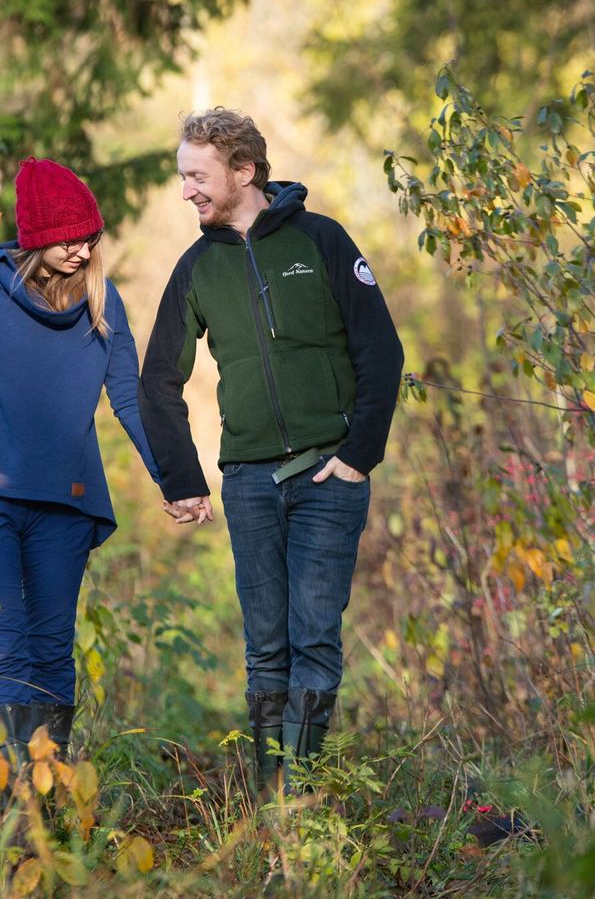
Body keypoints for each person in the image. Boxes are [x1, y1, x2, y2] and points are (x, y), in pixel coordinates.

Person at [140, 107, 404, 792]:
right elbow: (158, 379)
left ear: (244, 171)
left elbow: (381, 350)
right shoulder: (197, 267)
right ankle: (271, 803)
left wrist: (357, 456)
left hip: (329, 475)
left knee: (314, 637)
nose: (187, 191)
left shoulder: (321, 241)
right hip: (250, 482)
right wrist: (182, 478)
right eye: (183, 177)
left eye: (197, 176)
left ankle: (304, 797)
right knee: (265, 649)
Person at [0, 157, 159, 761]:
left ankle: (46, 805)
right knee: (4, 651)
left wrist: (174, 479)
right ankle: (12, 816)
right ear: (37, 235)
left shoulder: (103, 301)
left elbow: (128, 397)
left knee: (50, 651)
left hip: (65, 502)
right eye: (69, 238)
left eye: (90, 237)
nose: (81, 250)